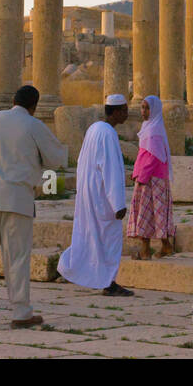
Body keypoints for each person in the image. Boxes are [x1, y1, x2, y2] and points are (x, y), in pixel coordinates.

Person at [0, 84, 67, 329]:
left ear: (13, 101)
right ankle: (20, 313)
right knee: (16, 257)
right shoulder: (34, 125)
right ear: (34, 106)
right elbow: (57, 159)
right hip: (17, 199)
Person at [57, 94, 134, 297]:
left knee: (92, 236)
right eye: (125, 110)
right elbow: (110, 170)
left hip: (91, 192)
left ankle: (88, 274)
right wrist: (118, 203)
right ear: (116, 111)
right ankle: (108, 281)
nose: (127, 114)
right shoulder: (107, 133)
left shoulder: (94, 128)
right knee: (109, 239)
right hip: (103, 197)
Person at [127, 95, 176, 260]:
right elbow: (143, 155)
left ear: (154, 109)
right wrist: (135, 173)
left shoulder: (154, 131)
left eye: (147, 108)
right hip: (146, 178)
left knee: (150, 213)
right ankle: (161, 246)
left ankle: (148, 250)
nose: (143, 111)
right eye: (142, 107)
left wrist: (141, 176)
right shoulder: (148, 127)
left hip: (152, 179)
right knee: (151, 213)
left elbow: (154, 157)